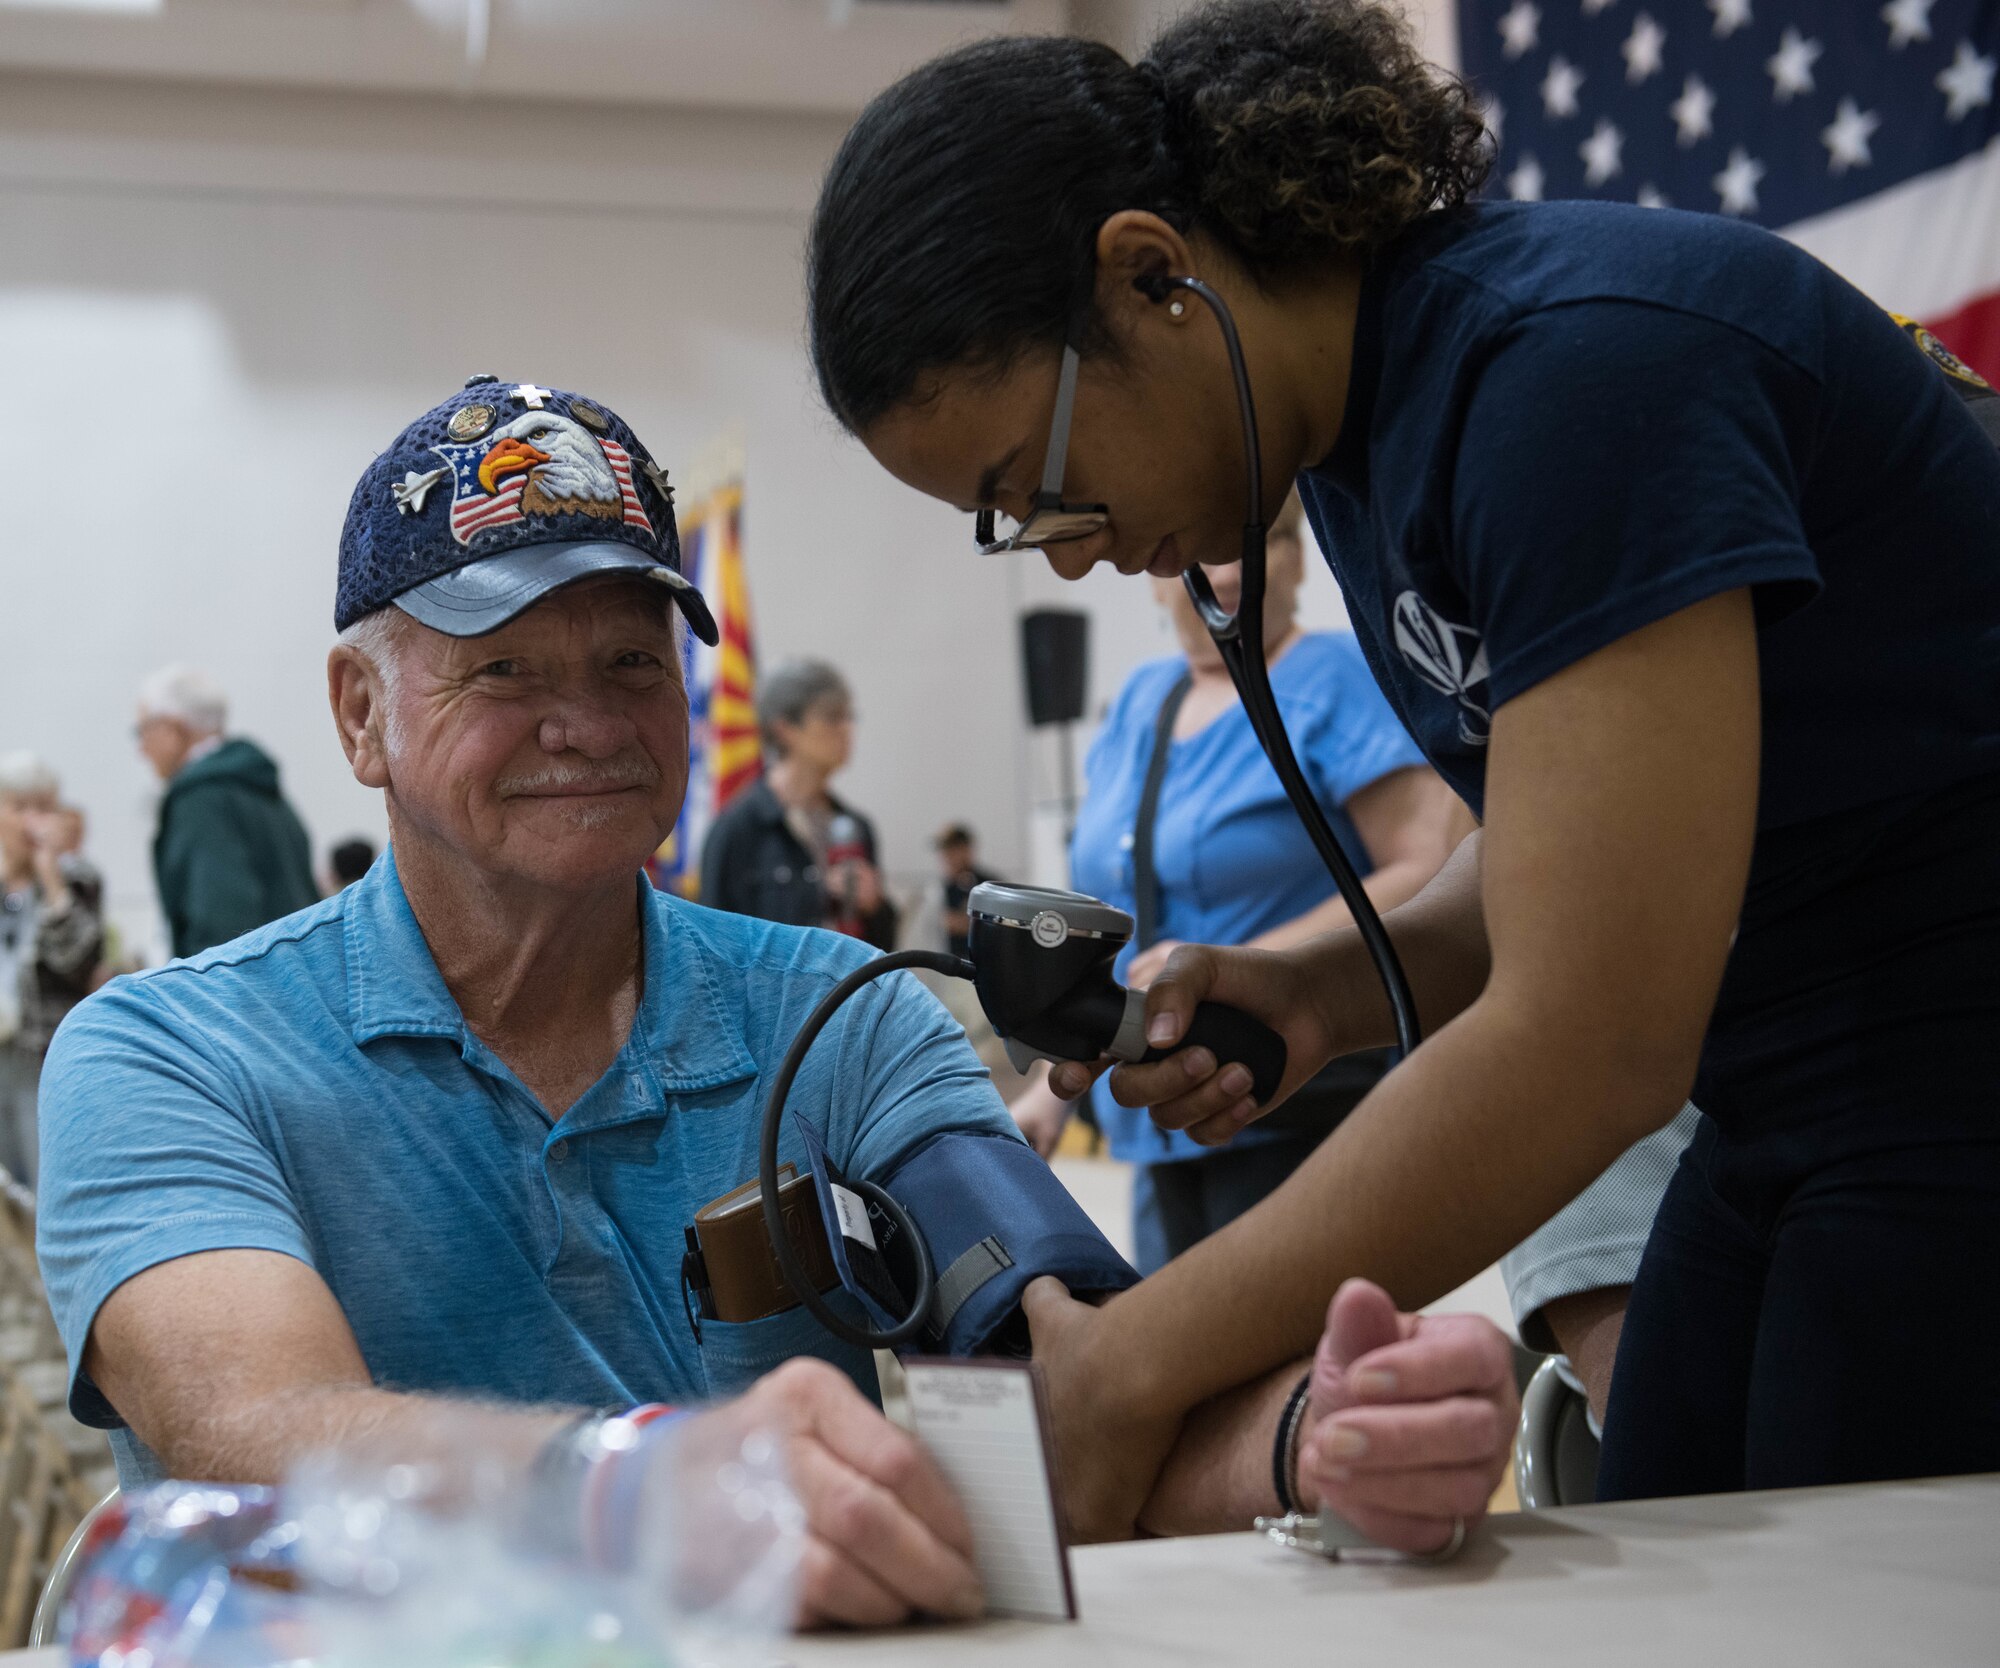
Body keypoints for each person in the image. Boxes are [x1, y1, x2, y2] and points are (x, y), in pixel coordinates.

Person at [804, 0, 2000, 1542]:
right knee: (1675, 1538)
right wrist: (1325, 993)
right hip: (1795, 1081)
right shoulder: (1374, 447)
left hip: (1946, 1058)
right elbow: (1596, 839)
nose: (1080, 553)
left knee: (1828, 1590)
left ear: (1149, 271)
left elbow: (1589, 1045)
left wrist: (1124, 1369)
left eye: (1035, 492)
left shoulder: (1567, 379)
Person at [35, 378, 1516, 1621]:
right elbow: (261, 1433)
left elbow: (1061, 1386)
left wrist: (1318, 1441)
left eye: (633, 661)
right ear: (361, 713)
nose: (589, 723)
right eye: (502, 672)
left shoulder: (848, 1015)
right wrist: (649, 1490)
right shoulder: (170, 1054)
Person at [1010, 494, 1460, 1266]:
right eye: (1197, 552)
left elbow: (1430, 869)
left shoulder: (1335, 678)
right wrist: (1053, 1076)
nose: (1223, 574)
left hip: (1299, 1100)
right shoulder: (1139, 703)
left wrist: (1262, 970)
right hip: (1157, 1113)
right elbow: (1116, 911)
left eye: (1254, 546)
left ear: (1298, 560)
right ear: (1154, 578)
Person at [699, 661, 899, 950]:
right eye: (832, 717)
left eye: (849, 717)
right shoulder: (738, 829)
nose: (847, 729)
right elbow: (712, 946)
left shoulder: (856, 827)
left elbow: (883, 954)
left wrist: (875, 907)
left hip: (851, 993)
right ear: (785, 728)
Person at [137, 664, 319, 958]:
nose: (141, 749)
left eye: (143, 731)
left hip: (247, 994)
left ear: (172, 729)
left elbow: (220, 920)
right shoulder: (256, 786)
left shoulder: (202, 798)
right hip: (297, 978)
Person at [0, 754, 103, 1188]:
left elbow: (77, 960)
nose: (32, 822)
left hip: (42, 1057)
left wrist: (50, 880)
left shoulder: (76, 878)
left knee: (47, 1186)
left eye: (43, 809)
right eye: (20, 808)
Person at [932, 824, 998, 961]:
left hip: (985, 964)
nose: (946, 857)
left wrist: (963, 923)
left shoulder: (989, 886)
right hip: (953, 964)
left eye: (951, 850)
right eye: (944, 851)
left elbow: (996, 927)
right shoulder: (944, 887)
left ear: (966, 849)